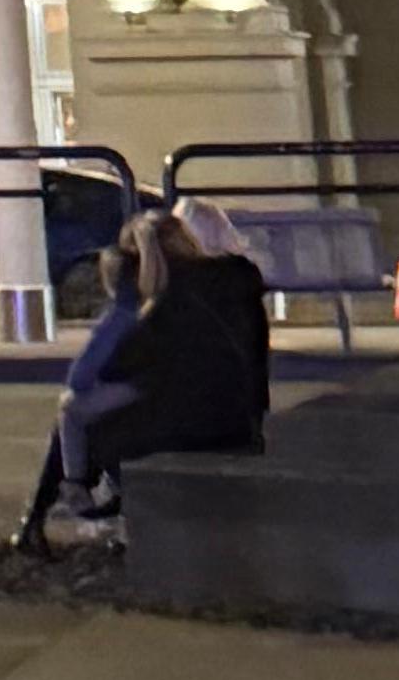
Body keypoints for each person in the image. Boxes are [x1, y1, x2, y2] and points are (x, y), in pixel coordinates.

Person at [20, 206, 272, 546]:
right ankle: (57, 514)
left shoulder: (164, 303)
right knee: (98, 412)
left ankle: (43, 518)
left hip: (194, 428)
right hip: (239, 420)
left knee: (80, 416)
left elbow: (105, 370)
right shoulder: (235, 282)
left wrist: (126, 300)